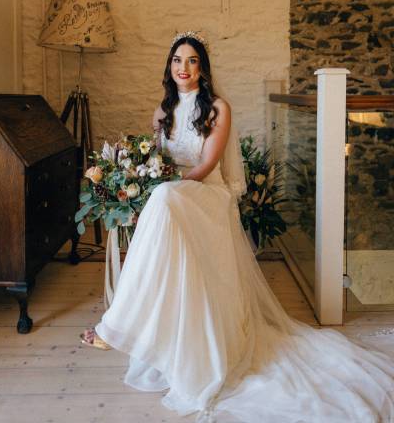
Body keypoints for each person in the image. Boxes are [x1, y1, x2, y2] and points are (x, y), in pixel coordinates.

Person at [81, 31, 394, 423]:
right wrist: (145, 187)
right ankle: (145, 326)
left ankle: (116, 325)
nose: (184, 68)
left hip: (206, 194)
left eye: (193, 60)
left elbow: (208, 165)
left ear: (203, 68)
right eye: (178, 60)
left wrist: (166, 190)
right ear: (169, 67)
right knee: (160, 203)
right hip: (173, 198)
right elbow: (157, 167)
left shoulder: (218, 109)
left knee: (162, 200)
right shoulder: (161, 114)